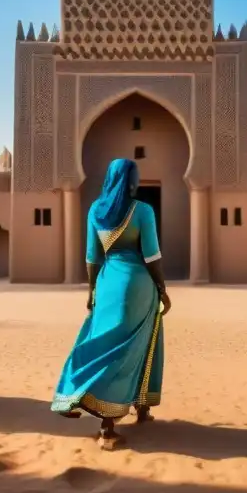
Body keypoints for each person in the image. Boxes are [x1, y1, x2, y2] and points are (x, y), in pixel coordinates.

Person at [51, 158, 172, 449]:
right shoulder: (142, 211)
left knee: (105, 344)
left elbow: (92, 257)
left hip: (107, 284)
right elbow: (152, 255)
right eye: (136, 177)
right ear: (130, 181)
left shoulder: (95, 211)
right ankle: (110, 425)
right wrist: (162, 288)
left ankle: (129, 407)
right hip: (138, 283)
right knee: (138, 345)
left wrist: (93, 289)